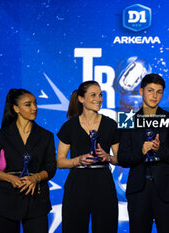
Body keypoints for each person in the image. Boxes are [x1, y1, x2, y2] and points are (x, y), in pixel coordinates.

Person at [118, 73, 169, 233]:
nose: (155, 96)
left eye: (159, 91)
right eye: (150, 90)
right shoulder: (127, 120)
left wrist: (159, 149)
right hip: (138, 190)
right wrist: (142, 150)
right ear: (141, 91)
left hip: (167, 189)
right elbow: (123, 158)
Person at [0, 89, 56, 233]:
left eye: (35, 104)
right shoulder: (0, 136)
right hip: (5, 199)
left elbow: (51, 167)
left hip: (37, 200)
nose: (34, 108)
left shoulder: (46, 136)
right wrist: (10, 178)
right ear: (16, 108)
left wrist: (36, 177)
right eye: (28, 104)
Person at [57, 81, 119, 233]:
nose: (98, 99)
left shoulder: (110, 124)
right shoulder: (69, 127)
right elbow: (60, 162)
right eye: (93, 95)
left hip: (103, 183)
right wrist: (77, 160)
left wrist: (108, 157)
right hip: (77, 184)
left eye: (100, 95)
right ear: (81, 99)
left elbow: (120, 158)